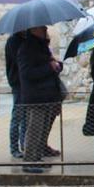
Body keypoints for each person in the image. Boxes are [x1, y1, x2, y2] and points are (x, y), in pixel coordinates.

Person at [16, 26, 63, 173]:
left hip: (47, 94)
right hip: (35, 96)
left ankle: (37, 158)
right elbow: (27, 73)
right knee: (35, 129)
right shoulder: (26, 48)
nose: (45, 29)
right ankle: (29, 161)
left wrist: (56, 65)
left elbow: (50, 65)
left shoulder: (41, 46)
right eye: (42, 27)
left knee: (42, 129)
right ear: (34, 29)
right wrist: (49, 67)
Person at [5, 31, 26, 158]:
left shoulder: (25, 39)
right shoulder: (13, 41)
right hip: (18, 83)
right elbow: (19, 60)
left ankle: (25, 144)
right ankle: (14, 148)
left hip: (25, 83)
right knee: (17, 117)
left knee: (26, 117)